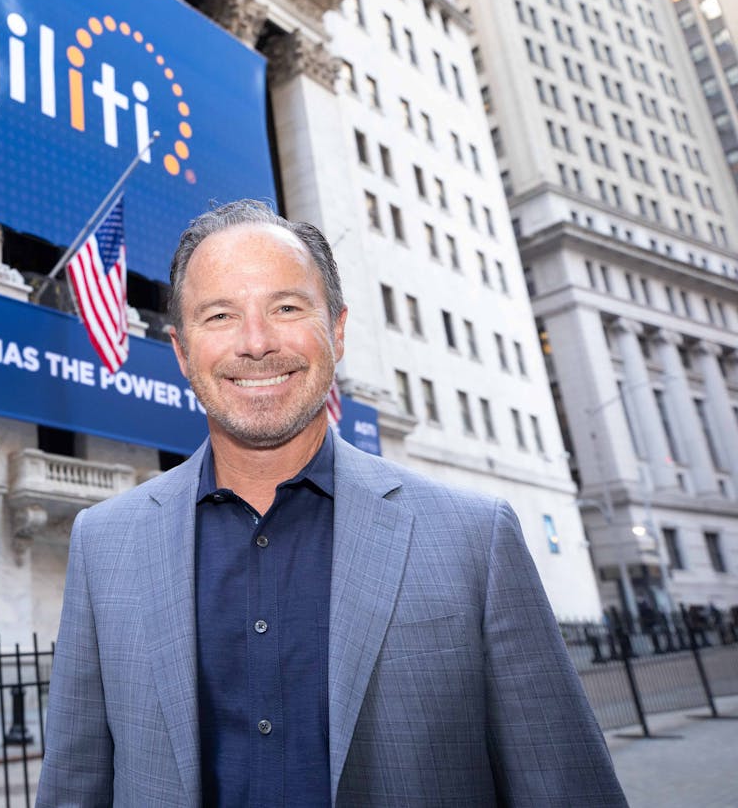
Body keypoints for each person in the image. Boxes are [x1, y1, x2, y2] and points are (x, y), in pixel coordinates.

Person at [36, 200, 625, 807]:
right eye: (220, 315)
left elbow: (566, 788)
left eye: (286, 308)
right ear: (182, 352)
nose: (257, 343)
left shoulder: (477, 539)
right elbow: (73, 790)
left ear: (337, 330)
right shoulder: (104, 544)